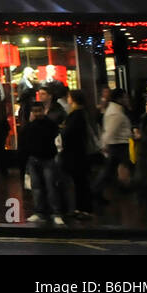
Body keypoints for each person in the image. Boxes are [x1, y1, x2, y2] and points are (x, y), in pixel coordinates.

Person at [21, 100, 64, 224]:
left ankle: (46, 212)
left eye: (39, 111)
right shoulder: (49, 125)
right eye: (35, 111)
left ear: (43, 110)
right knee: (41, 187)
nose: (37, 113)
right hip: (41, 159)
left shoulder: (32, 126)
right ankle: (51, 213)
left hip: (43, 159)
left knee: (45, 187)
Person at [58, 90, 94, 219]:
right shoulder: (81, 113)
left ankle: (84, 209)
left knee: (80, 181)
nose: (67, 99)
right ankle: (81, 208)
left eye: (69, 97)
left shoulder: (76, 114)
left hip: (76, 154)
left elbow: (69, 133)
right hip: (78, 153)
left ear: (73, 99)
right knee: (80, 181)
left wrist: (63, 129)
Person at [94, 88, 133, 198]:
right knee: (112, 169)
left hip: (117, 144)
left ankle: (105, 189)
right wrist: (104, 145)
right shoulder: (115, 113)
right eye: (125, 97)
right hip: (118, 145)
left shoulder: (116, 110)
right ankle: (98, 190)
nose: (127, 99)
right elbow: (110, 131)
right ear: (119, 98)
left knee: (111, 169)